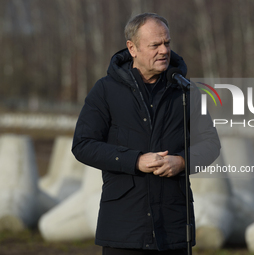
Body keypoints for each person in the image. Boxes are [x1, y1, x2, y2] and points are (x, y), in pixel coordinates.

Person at [72, 13, 220, 255]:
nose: (164, 50)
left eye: (167, 43)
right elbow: (83, 145)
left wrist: (182, 161)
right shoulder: (105, 90)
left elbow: (211, 144)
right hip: (123, 229)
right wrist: (136, 160)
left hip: (174, 228)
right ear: (132, 48)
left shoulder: (186, 91)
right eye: (155, 45)